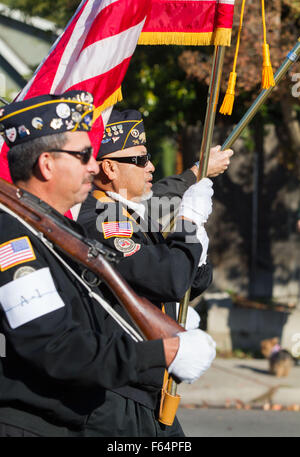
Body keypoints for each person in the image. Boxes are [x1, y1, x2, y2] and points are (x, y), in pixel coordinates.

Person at [0, 93, 216, 437]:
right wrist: (162, 351)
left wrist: (168, 317)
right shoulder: (14, 239)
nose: (93, 165)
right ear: (46, 164)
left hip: (86, 407)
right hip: (43, 420)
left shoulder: (60, 232)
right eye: (83, 155)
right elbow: (57, 346)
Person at [78, 109, 233, 434]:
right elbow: (171, 280)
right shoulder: (105, 222)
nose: (150, 165)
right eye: (140, 159)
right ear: (109, 168)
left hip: (147, 391)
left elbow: (193, 280)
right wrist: (188, 226)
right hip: (117, 398)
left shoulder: (132, 214)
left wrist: (197, 245)